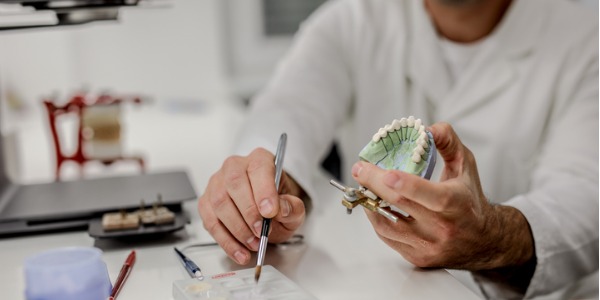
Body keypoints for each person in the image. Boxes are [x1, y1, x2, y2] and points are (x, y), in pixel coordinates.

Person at [198, 0, 598, 298]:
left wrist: (493, 236)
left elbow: (586, 194)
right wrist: (266, 184)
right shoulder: (355, 17)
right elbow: (286, 109)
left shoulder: (585, 35)